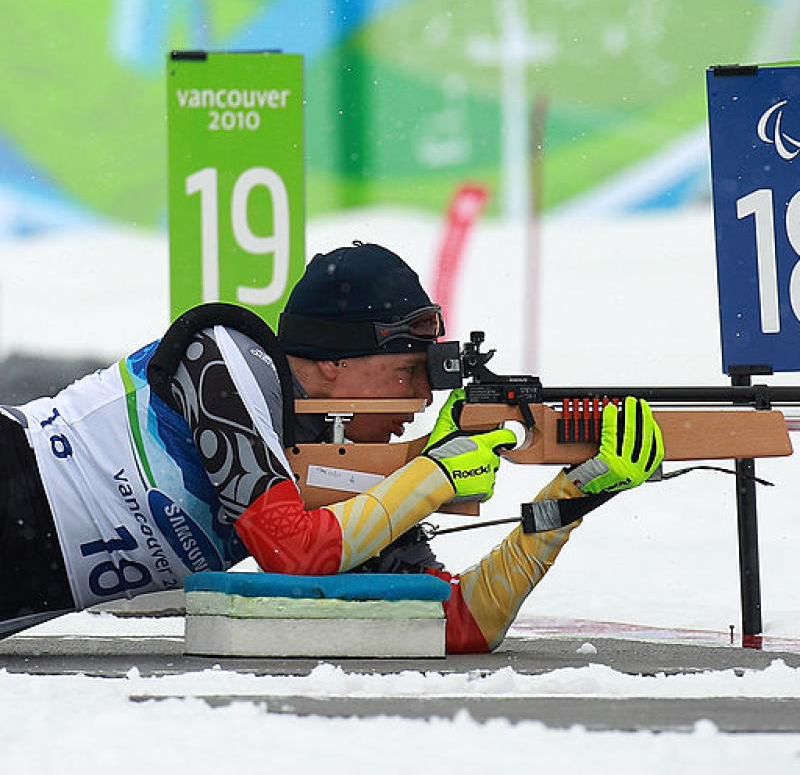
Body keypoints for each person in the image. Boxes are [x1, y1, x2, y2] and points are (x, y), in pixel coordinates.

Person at [0, 242, 662, 651]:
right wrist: (431, 475)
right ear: (335, 363)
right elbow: (296, 551)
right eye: (407, 372)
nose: (420, 401)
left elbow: (457, 625)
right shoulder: (227, 357)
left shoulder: (338, 474)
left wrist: (571, 498)